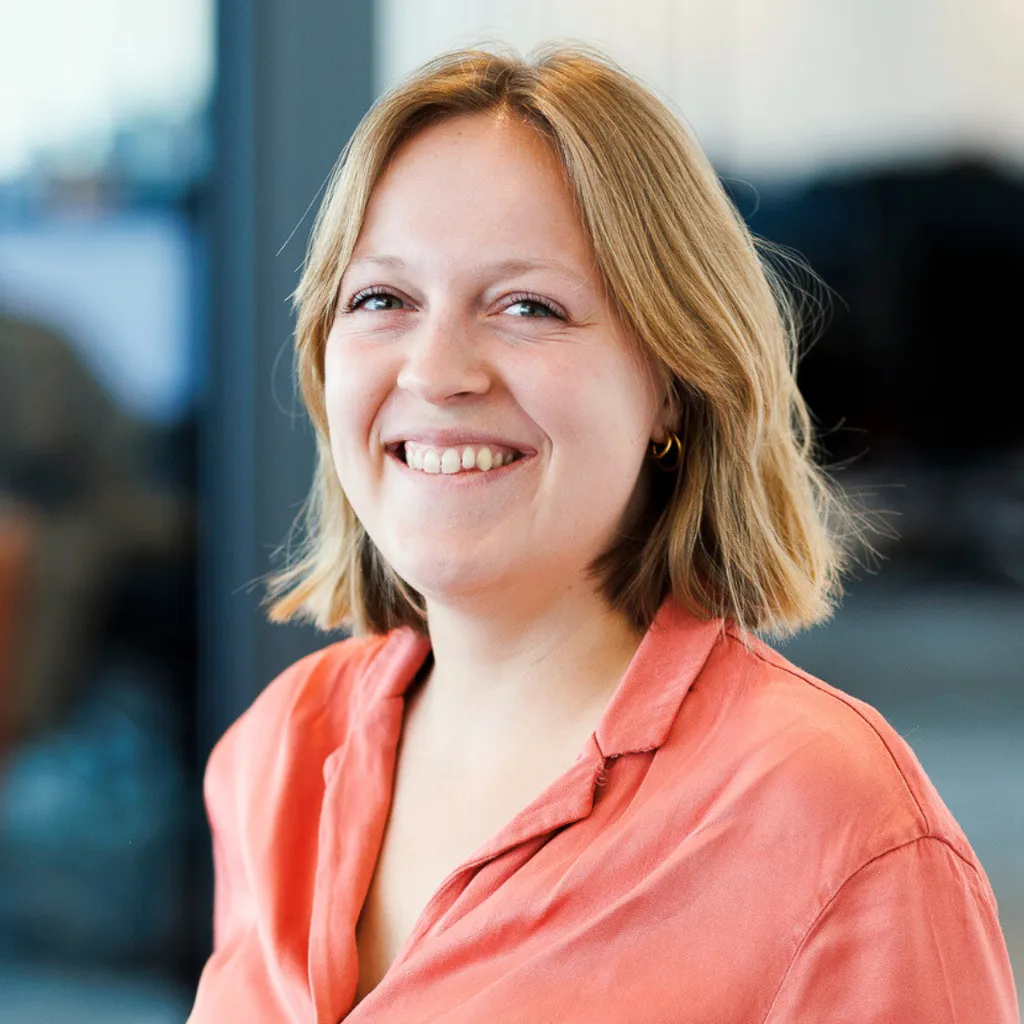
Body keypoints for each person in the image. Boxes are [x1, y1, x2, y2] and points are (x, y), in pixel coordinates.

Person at [187, 46, 1019, 1022]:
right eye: (383, 299)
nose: (437, 371)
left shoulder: (838, 825)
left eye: (527, 306)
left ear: (670, 380)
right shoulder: (279, 752)